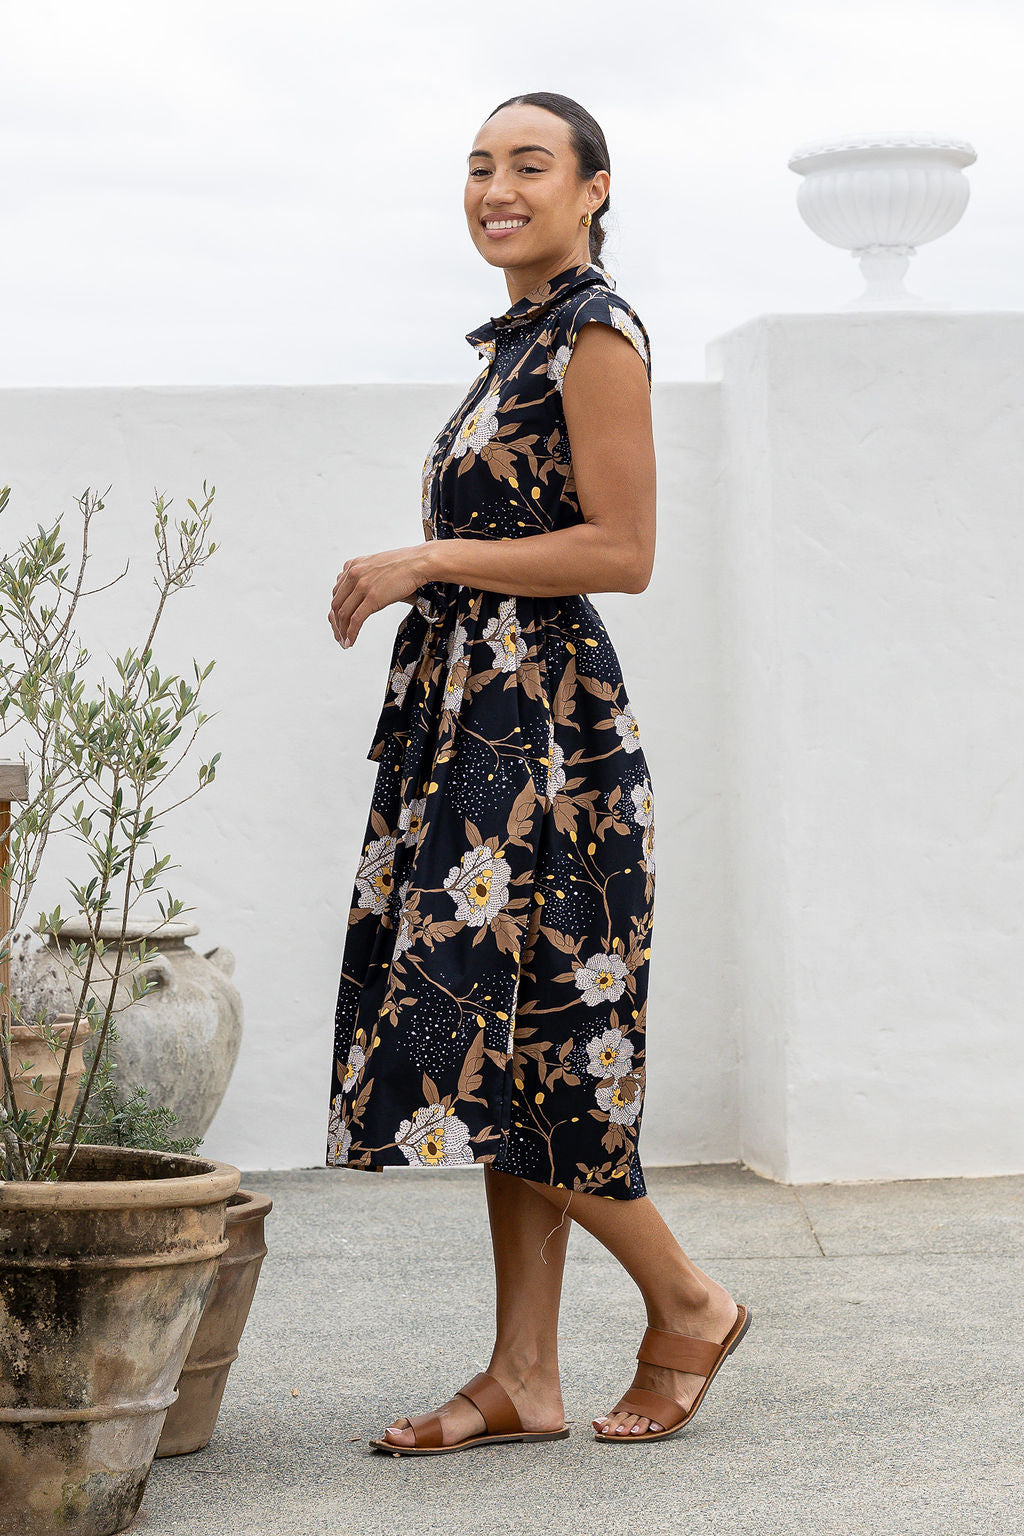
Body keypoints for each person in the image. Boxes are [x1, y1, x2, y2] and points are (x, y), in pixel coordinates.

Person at [326, 90, 751, 1455]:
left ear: (594, 189)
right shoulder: (516, 340)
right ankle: (523, 1375)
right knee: (507, 1051)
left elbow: (621, 550)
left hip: (548, 747)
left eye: (528, 165)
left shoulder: (593, 336)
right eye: (477, 167)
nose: (495, 188)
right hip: (479, 729)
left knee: (557, 1047)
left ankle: (688, 1300)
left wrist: (426, 558)